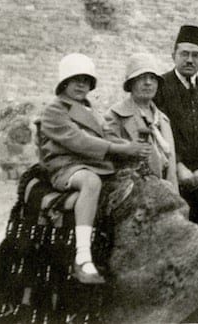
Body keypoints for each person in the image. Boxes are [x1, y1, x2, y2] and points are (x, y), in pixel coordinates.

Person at [36, 53, 140, 284]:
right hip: (65, 167)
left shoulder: (90, 109)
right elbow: (78, 141)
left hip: (92, 163)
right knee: (91, 182)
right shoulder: (55, 110)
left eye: (86, 80)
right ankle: (83, 256)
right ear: (64, 83)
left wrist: (132, 146)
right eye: (76, 80)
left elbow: (107, 135)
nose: (82, 85)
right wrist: (119, 149)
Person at [153, 25, 198, 232]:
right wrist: (178, 166)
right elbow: (157, 132)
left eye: (196, 55)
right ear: (173, 55)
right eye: (184, 54)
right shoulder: (160, 87)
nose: (190, 60)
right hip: (173, 182)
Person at [104, 53, 178, 193]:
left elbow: (171, 171)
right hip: (131, 193)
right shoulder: (115, 115)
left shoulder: (163, 120)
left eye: (152, 78)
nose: (148, 83)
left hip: (164, 193)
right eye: (141, 78)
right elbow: (108, 156)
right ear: (131, 84)